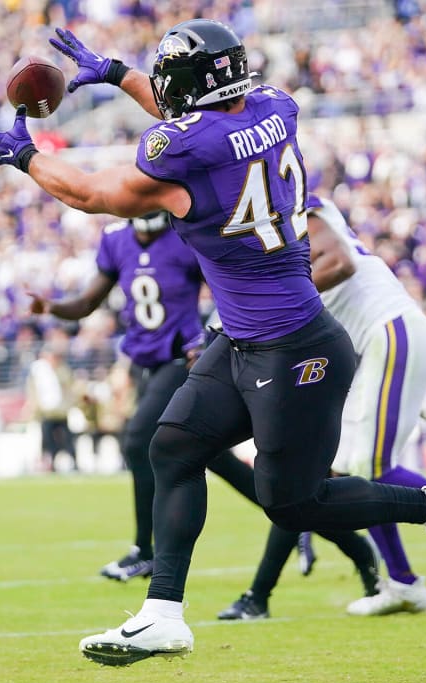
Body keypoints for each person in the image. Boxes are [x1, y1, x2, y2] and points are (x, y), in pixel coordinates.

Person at [0, 20, 426, 666]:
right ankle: (162, 614)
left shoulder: (183, 152)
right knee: (172, 445)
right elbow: (206, 126)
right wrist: (119, 76)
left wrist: (27, 157)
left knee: (293, 503)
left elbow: (88, 193)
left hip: (296, 347)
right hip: (244, 338)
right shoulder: (275, 107)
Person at [216, 195, 426, 621]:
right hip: (374, 345)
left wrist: (269, 305)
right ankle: (403, 583)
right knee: (358, 467)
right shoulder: (270, 227)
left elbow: (339, 263)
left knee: (370, 466)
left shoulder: (294, 207)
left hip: (389, 331)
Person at [28, 211, 309, 583]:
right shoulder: (116, 240)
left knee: (138, 441)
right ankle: (299, 514)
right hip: (143, 364)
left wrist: (209, 340)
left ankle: (144, 550)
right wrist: (51, 307)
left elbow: (226, 287)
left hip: (182, 359)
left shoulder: (185, 237)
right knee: (211, 456)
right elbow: (87, 302)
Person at [25, 342, 76, 473]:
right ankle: (51, 463)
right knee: (48, 440)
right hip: (47, 413)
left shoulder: (62, 369)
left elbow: (69, 388)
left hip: (61, 412)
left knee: (68, 439)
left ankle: (74, 462)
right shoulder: (39, 371)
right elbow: (34, 391)